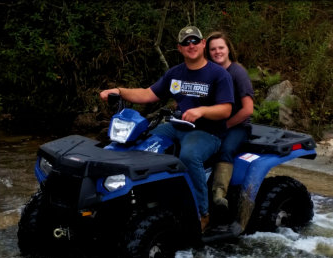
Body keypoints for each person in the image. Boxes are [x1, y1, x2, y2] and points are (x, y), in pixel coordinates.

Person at [100, 26, 234, 233]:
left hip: (208, 132)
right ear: (180, 48)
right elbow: (147, 94)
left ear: (203, 44)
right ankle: (138, 201)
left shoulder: (218, 74)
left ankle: (202, 214)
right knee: (140, 146)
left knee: (189, 157)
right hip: (177, 126)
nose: (191, 45)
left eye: (195, 41)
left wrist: (202, 111)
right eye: (186, 43)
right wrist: (119, 91)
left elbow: (226, 109)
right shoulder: (175, 73)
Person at [206, 31, 254, 229]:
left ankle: (219, 196)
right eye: (213, 49)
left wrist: (226, 125)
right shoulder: (208, 72)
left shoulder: (237, 73)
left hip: (238, 125)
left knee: (224, 149)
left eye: (221, 48)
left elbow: (248, 109)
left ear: (228, 49)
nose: (217, 52)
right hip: (214, 123)